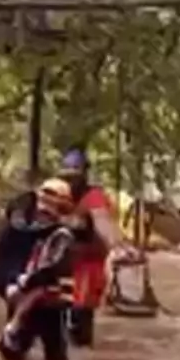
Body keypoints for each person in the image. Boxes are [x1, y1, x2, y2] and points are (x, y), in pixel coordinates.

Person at [0, 178, 80, 360]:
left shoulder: (62, 235)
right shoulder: (15, 228)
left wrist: (23, 283)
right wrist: (5, 282)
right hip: (20, 295)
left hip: (50, 299)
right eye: (44, 204)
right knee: (12, 353)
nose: (45, 211)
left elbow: (51, 269)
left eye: (53, 206)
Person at [56, 149, 134, 347]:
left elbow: (103, 222)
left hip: (87, 262)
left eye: (75, 174)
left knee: (81, 312)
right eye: (67, 175)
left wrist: (118, 246)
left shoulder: (93, 197)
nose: (71, 180)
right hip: (61, 260)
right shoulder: (55, 195)